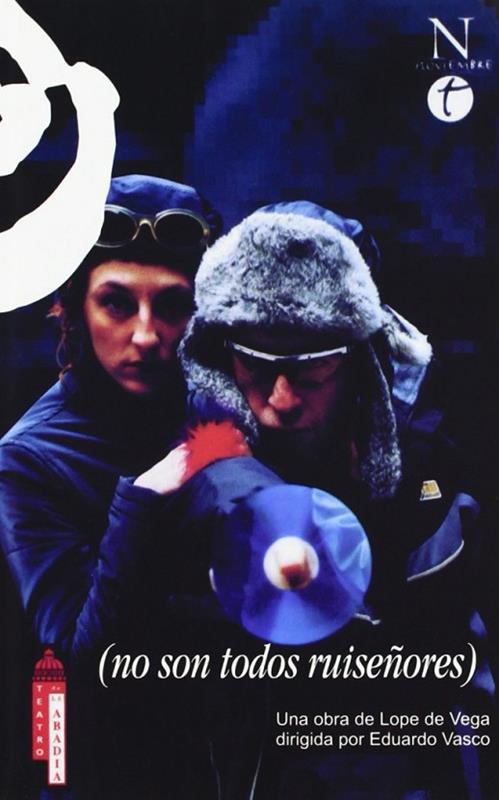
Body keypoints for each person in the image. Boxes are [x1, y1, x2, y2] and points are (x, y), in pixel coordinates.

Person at [166, 201, 494, 798]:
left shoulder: (432, 483)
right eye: (255, 364)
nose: (282, 400)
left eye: (312, 369)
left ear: (362, 361)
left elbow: (465, 696)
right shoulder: (174, 476)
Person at [0, 173, 222, 799]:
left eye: (172, 307)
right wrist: (146, 499)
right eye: (117, 304)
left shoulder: (222, 407)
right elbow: (81, 666)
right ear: (76, 307)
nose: (146, 335)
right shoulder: (29, 460)